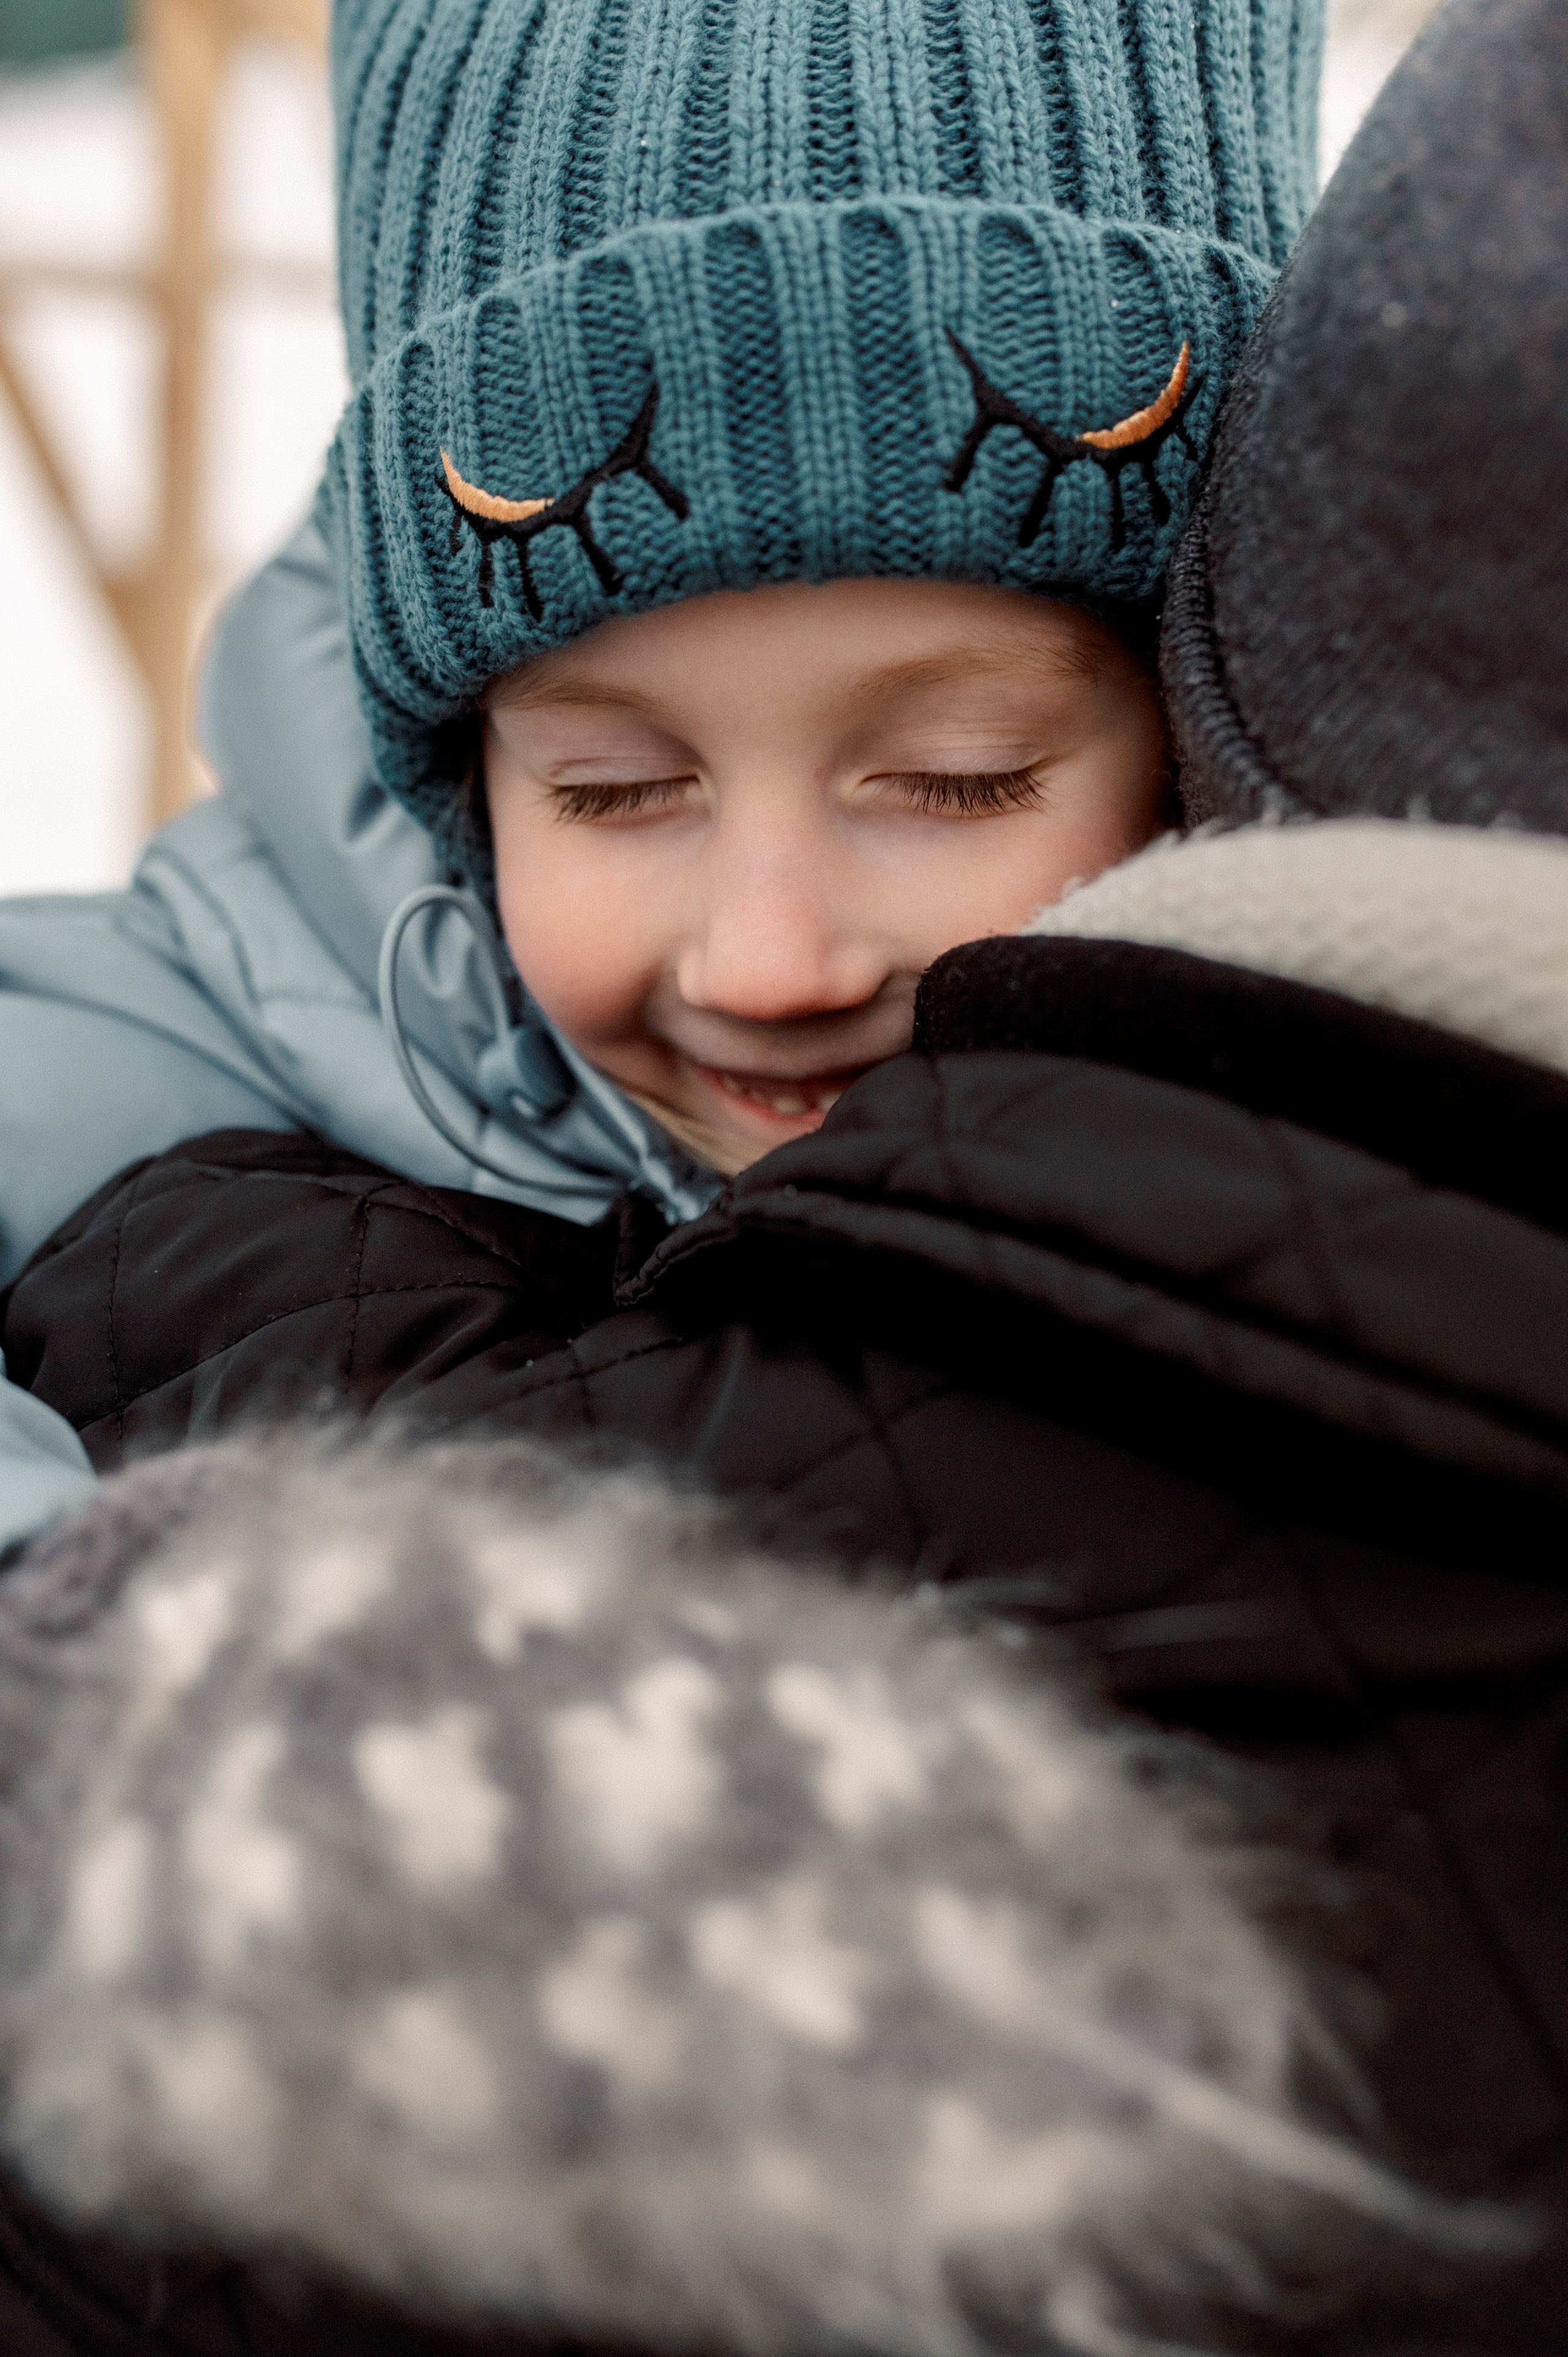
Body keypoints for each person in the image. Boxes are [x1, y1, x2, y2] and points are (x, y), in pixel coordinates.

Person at [0, 0, 1315, 1543]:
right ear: (458, 758)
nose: (769, 962)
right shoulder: (171, 1041)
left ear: (1197, 716)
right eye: (614, 788)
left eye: (958, 778)